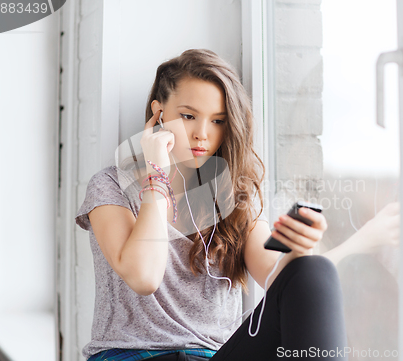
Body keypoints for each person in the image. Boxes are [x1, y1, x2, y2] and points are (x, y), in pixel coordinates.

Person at [76, 49, 350, 361]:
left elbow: (280, 281)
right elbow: (144, 277)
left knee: (314, 270)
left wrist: (300, 248)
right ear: (159, 111)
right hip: (131, 356)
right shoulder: (111, 185)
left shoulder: (235, 196)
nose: (202, 134)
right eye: (189, 116)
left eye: (218, 121)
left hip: (214, 357)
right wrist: (156, 175)